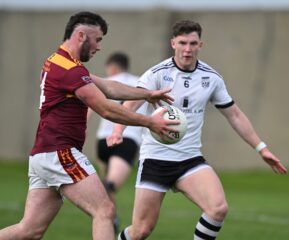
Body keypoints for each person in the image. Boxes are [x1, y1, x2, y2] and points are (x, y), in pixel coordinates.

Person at [0, 11, 178, 240]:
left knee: (29, 231)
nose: (99, 46)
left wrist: (146, 94)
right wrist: (150, 122)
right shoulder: (69, 70)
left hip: (44, 154)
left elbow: (109, 87)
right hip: (60, 152)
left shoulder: (61, 62)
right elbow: (106, 108)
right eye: (98, 39)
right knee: (104, 210)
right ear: (82, 36)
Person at [107, 20, 288, 240]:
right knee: (141, 231)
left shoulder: (211, 78)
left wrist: (261, 148)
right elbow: (130, 105)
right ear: (173, 43)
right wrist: (117, 132)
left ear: (200, 45)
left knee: (218, 208)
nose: (187, 49)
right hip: (156, 159)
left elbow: (235, 115)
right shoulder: (156, 74)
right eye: (182, 42)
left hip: (189, 159)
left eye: (193, 43)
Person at [89, 52, 147, 233]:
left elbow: (90, 108)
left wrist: (82, 128)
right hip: (127, 139)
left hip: (103, 140)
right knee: (108, 187)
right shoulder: (141, 83)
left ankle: (109, 219)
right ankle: (109, 219)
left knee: (106, 186)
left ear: (112, 67)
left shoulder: (105, 82)